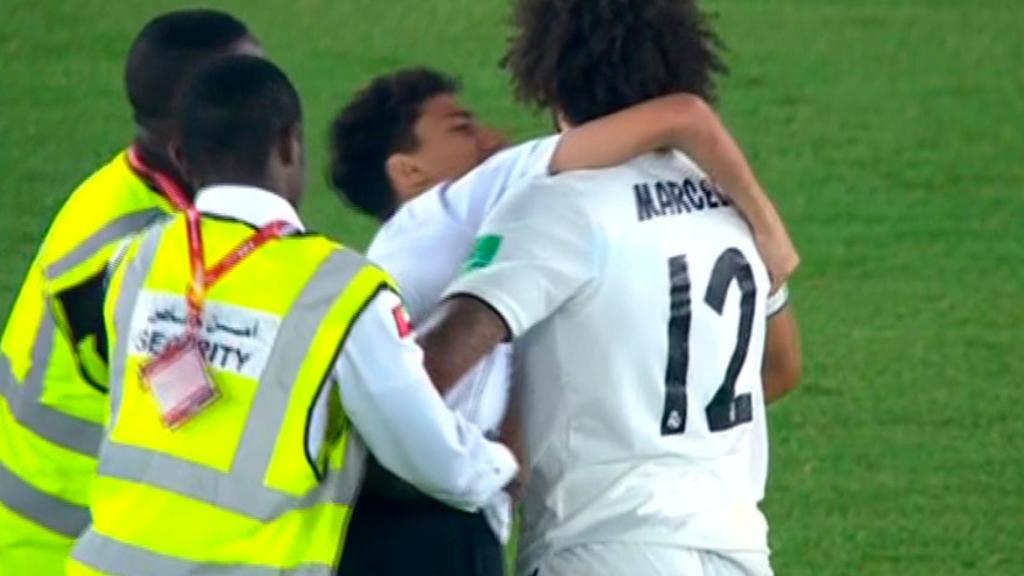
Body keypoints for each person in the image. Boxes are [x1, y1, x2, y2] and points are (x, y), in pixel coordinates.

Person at [330, 66, 799, 575]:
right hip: (734, 547)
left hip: (596, 544)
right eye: (461, 128)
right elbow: (684, 115)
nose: (494, 137)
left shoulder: (538, 215)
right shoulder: (494, 191)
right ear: (408, 171)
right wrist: (770, 233)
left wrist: (499, 467)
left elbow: (461, 367)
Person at [66, 55, 517, 575]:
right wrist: (501, 467)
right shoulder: (338, 290)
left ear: (181, 157)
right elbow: (430, 456)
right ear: (289, 144)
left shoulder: (133, 261)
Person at [0, 10, 261, 572]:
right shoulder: (138, 252)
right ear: (186, 126)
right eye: (245, 92)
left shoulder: (131, 193)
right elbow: (192, 415)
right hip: (55, 550)